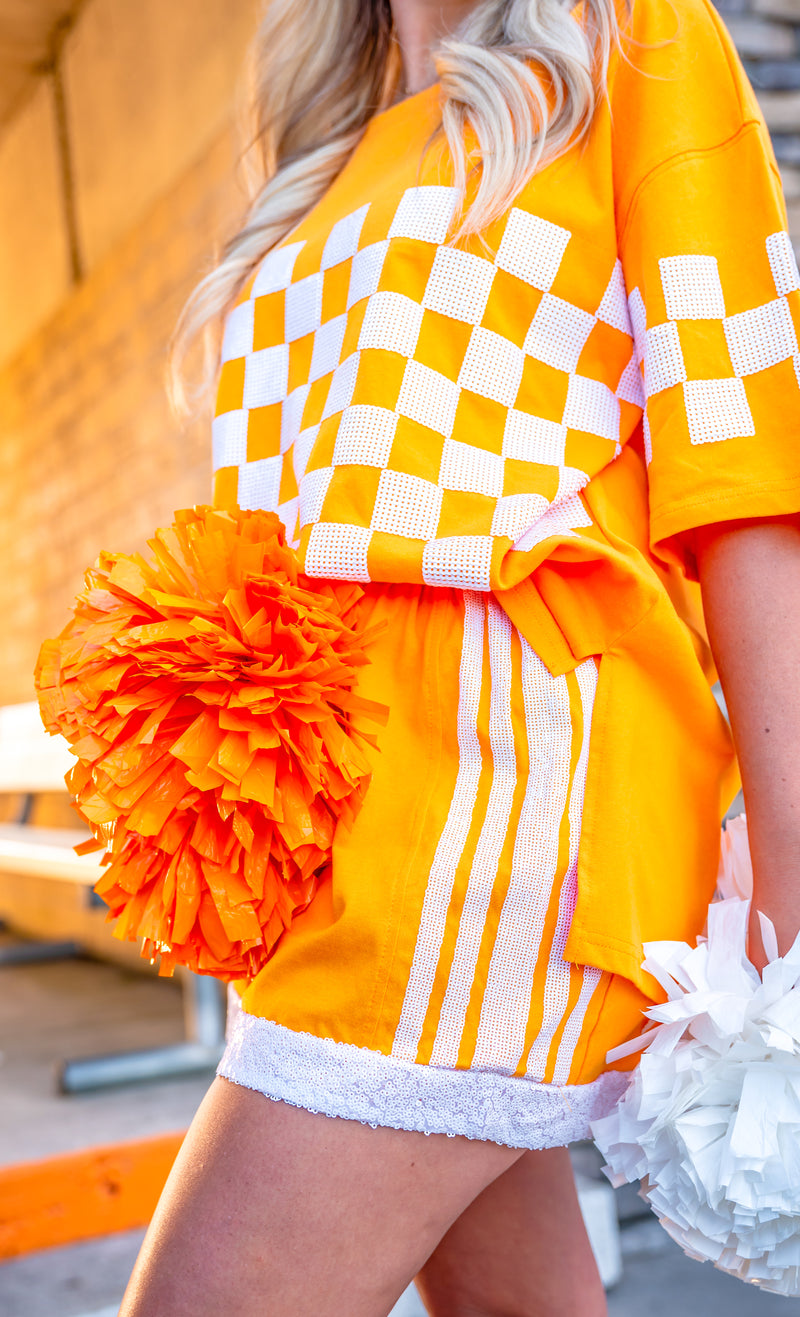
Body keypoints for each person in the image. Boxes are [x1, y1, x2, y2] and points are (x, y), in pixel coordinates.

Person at [119, 0, 800, 1313]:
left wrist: (788, 889)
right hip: (356, 816)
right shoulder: (339, 132)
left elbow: (747, 464)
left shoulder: (632, 40)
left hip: (499, 810)